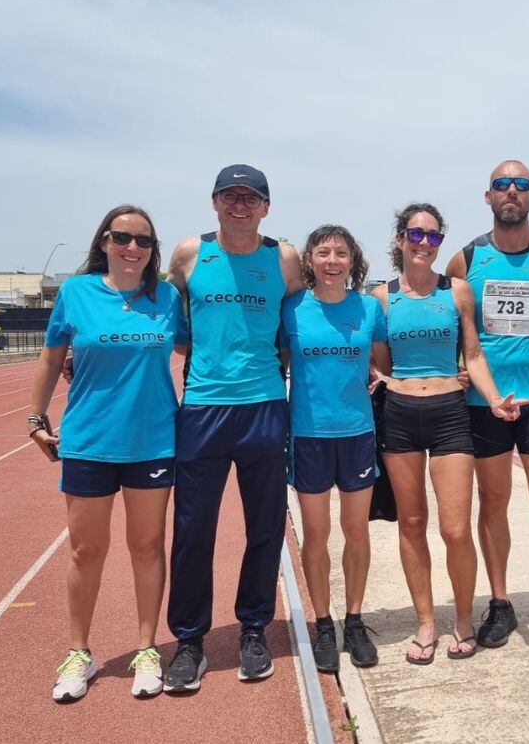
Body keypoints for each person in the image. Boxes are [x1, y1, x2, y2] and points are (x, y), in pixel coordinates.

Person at [29, 205, 186, 701]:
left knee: (147, 547)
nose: (132, 247)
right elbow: (53, 356)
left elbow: (196, 347)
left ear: (152, 249)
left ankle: (146, 649)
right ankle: (79, 652)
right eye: (123, 237)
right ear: (104, 241)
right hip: (90, 441)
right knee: (85, 549)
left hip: (153, 440)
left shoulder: (168, 299)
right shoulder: (76, 294)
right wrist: (36, 419)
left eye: (143, 240)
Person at [164, 165, 303, 692]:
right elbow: (155, 309)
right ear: (215, 202)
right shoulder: (189, 254)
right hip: (203, 408)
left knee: (264, 527)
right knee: (193, 529)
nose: (240, 205)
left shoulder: (283, 259)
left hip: (266, 407)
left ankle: (253, 629)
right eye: (230, 196)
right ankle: (191, 641)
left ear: (266, 206)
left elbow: (305, 315)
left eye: (251, 197)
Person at [373, 202, 525, 665]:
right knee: (412, 524)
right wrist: (384, 381)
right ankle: (425, 622)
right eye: (415, 234)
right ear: (400, 239)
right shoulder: (381, 298)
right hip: (399, 414)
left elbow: (474, 355)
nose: (424, 243)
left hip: (449, 413)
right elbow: (379, 363)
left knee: (456, 528)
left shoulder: (457, 291)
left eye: (433, 236)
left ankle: (462, 618)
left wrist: (495, 398)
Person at [446, 160, 529, 653]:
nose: (511, 192)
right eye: (502, 185)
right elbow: (449, 322)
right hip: (486, 402)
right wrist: (453, 370)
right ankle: (500, 602)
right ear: (488, 197)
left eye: (521, 185)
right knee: (494, 502)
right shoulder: (466, 259)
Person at [280, 225, 390, 672]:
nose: (331, 260)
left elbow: (381, 366)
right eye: (323, 252)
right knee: (317, 534)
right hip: (308, 435)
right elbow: (279, 363)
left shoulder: (367, 309)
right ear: (310, 260)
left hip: (357, 434)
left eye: (340, 253)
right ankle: (323, 623)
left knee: (357, 531)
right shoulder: (291, 310)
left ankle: (355, 620)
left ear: (352, 261)